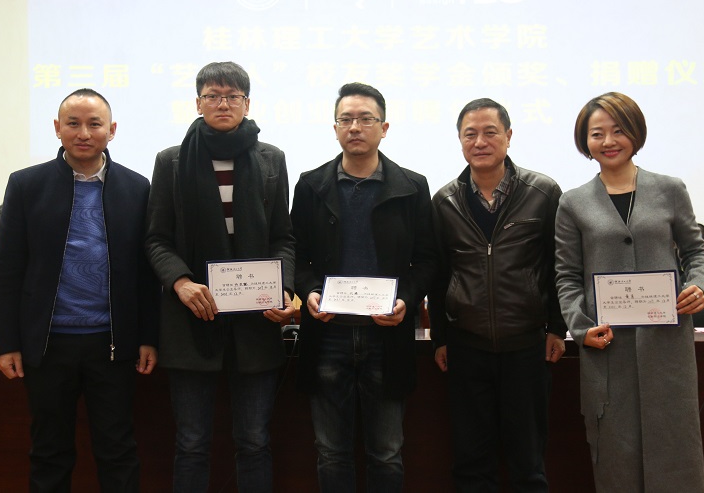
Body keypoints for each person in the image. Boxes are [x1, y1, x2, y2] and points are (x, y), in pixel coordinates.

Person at [0, 88, 159, 492]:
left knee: (118, 449)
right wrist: (6, 343)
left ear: (112, 130)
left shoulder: (137, 188)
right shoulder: (26, 185)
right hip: (47, 345)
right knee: (49, 451)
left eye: (94, 124)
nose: (84, 133)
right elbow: (7, 269)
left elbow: (145, 272)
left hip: (112, 344)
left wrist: (148, 337)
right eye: (73, 123)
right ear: (57, 128)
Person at [145, 61, 295, 493]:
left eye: (232, 96)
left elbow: (283, 237)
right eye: (213, 96)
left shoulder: (271, 159)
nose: (222, 104)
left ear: (247, 103)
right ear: (198, 103)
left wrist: (282, 287)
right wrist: (180, 282)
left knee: (254, 441)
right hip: (191, 321)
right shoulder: (172, 161)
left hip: (256, 323)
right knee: (192, 443)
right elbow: (156, 238)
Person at [554, 92, 704, 492]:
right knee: (615, 456)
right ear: (585, 140)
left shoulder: (670, 189)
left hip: (666, 348)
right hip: (607, 348)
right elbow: (567, 276)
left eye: (618, 130)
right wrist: (580, 328)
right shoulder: (572, 203)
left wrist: (700, 285)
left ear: (635, 133)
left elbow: (696, 252)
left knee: (675, 451)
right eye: (597, 133)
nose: (608, 141)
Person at [291, 82, 436, 492]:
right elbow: (295, 253)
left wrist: (407, 299)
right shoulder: (311, 185)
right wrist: (309, 290)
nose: (355, 127)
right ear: (335, 128)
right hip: (328, 334)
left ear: (384, 127)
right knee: (330, 451)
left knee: (387, 452)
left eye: (365, 119)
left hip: (386, 336)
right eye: (346, 119)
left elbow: (428, 258)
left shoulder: (411, 186)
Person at [429, 98, 566, 492]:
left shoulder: (542, 192)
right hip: (466, 347)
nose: (480, 142)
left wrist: (557, 328)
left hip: (526, 346)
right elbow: (439, 275)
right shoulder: (445, 201)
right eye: (470, 134)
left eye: (490, 132)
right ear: (459, 141)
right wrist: (440, 338)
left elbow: (558, 266)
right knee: (471, 463)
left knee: (528, 462)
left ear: (508, 136)